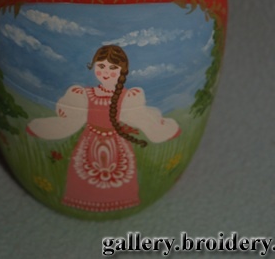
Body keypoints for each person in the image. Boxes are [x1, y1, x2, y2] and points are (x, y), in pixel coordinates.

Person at [27, 45, 180, 212]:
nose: (106, 72)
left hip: (117, 143)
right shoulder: (84, 94)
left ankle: (121, 200)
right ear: (94, 67)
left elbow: (141, 119)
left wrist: (162, 130)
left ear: (122, 70)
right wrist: (42, 128)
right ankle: (82, 200)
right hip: (90, 142)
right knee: (85, 171)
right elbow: (71, 122)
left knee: (119, 173)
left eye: (112, 68)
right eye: (101, 66)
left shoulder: (127, 97)